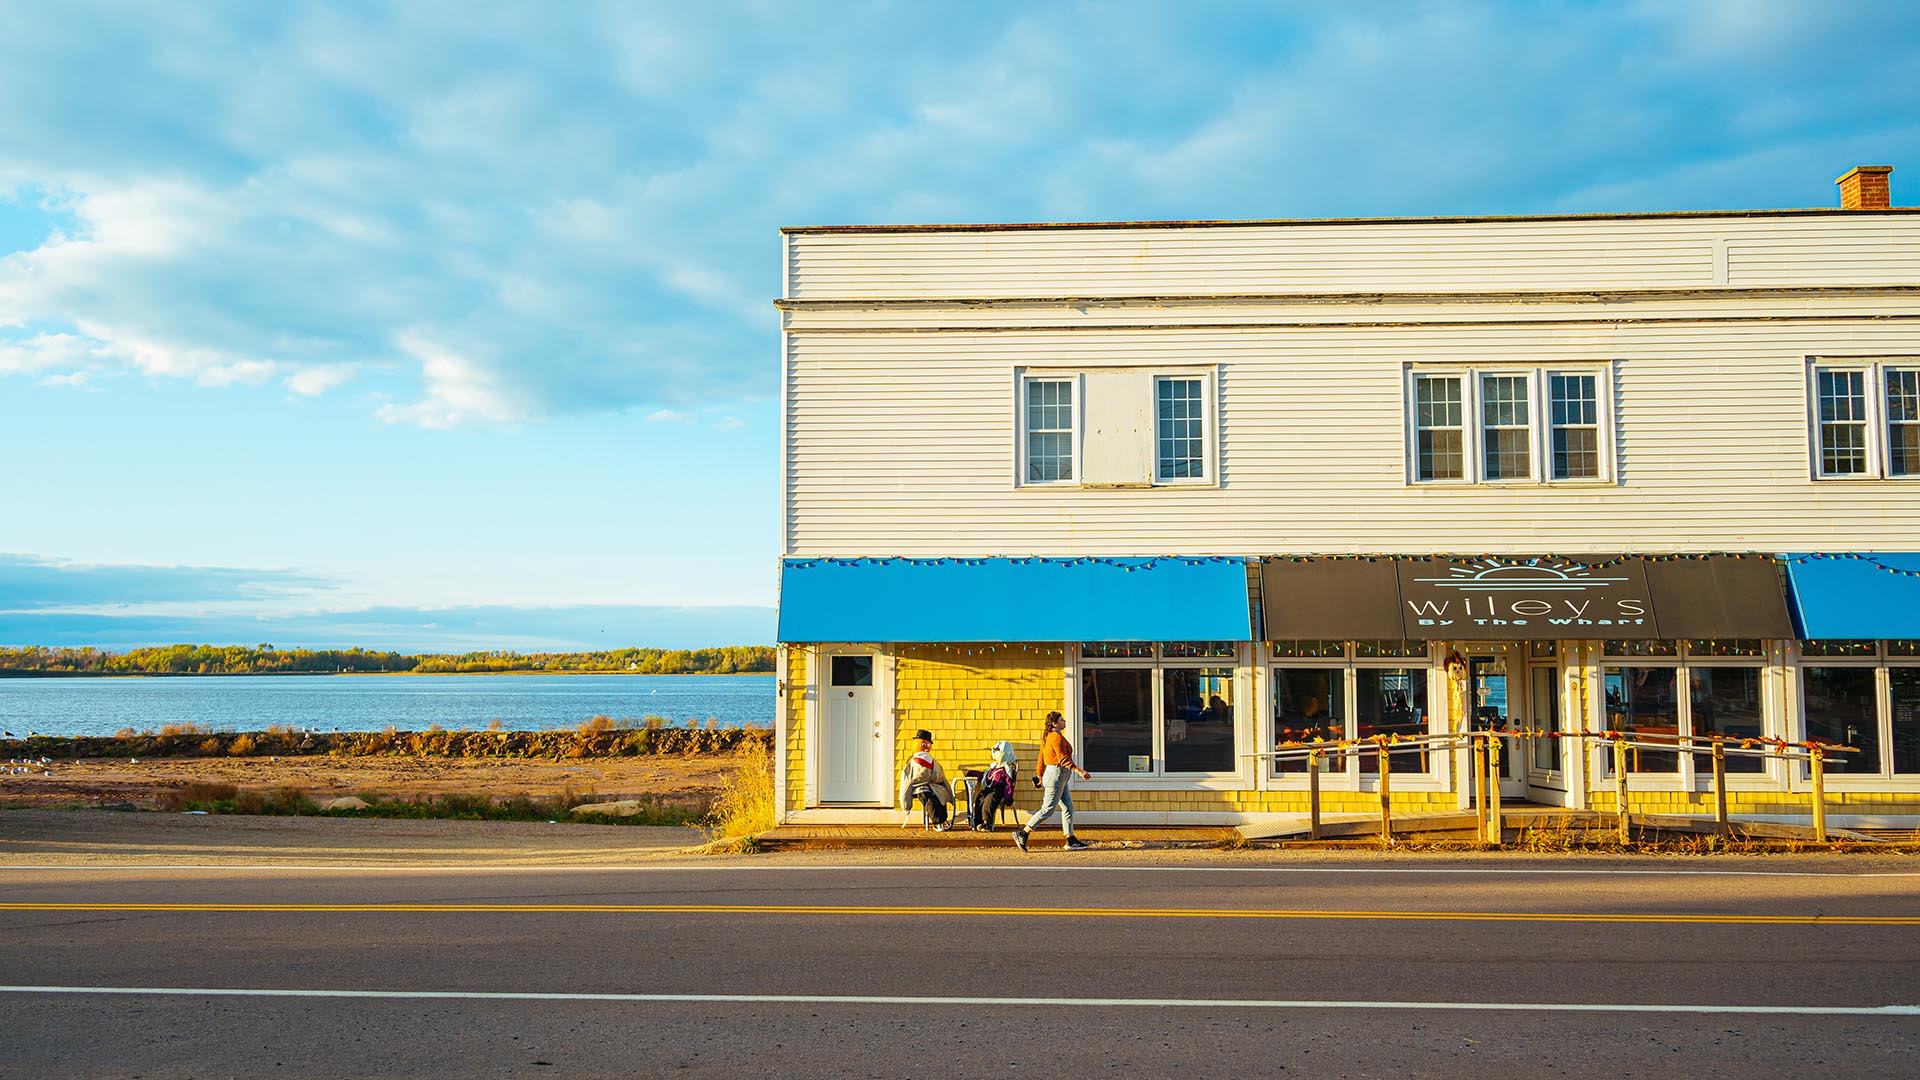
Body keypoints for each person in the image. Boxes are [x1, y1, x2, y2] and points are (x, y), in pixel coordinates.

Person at [1013, 711, 1090, 852]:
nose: (1064, 721)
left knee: (1068, 807)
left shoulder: (1050, 736)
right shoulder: (1055, 737)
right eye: (1061, 720)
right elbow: (1063, 759)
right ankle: (1023, 834)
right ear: (1055, 723)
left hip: (1057, 775)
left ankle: (1070, 839)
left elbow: (1041, 757)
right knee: (1047, 809)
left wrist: (1040, 775)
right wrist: (1080, 771)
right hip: (1057, 774)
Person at [898, 729, 953, 830]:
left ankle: (943, 819)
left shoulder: (933, 761)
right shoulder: (913, 763)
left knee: (941, 797)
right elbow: (906, 783)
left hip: (935, 786)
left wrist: (950, 795)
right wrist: (906, 805)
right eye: (923, 744)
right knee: (929, 800)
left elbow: (942, 777)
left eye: (928, 744)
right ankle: (937, 822)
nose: (926, 747)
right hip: (920, 787)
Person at [970, 740, 1018, 831]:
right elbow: (984, 775)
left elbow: (1009, 784)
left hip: (999, 790)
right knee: (980, 798)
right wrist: (971, 773)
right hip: (989, 789)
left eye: (998, 752)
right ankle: (978, 822)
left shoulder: (1006, 770)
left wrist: (1008, 797)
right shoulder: (993, 768)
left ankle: (987, 823)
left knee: (989, 800)